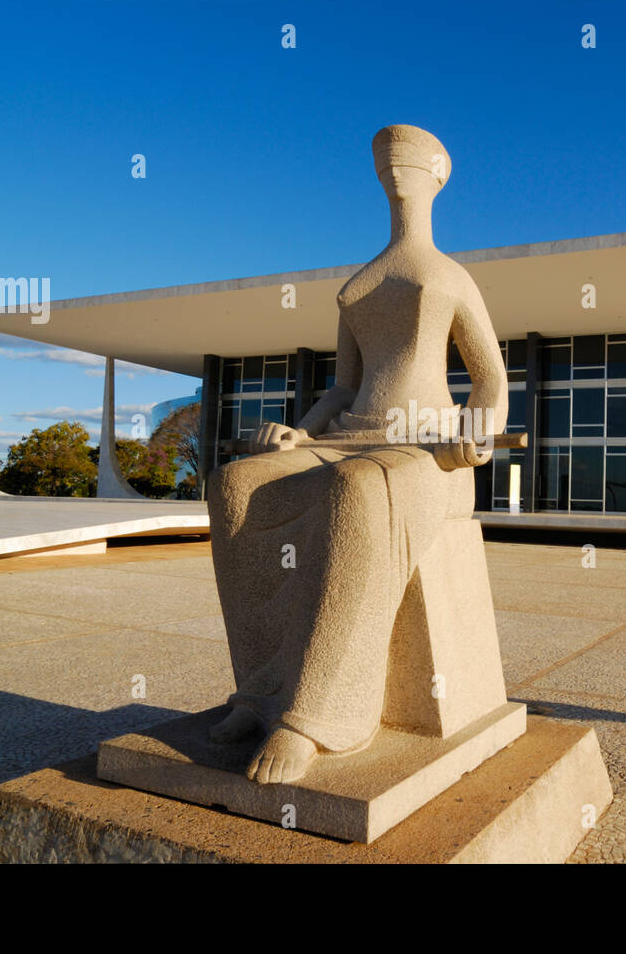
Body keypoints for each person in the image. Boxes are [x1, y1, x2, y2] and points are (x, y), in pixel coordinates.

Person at [206, 125, 508, 784]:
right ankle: (260, 693)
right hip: (347, 437)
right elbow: (343, 387)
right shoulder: (359, 284)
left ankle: (314, 716)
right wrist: (301, 433)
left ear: (438, 170)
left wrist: (474, 436)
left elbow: (490, 380)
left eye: (407, 159)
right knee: (233, 485)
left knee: (358, 491)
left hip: (429, 449)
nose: (393, 169)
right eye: (383, 159)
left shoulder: (452, 277)